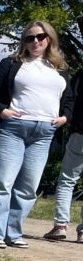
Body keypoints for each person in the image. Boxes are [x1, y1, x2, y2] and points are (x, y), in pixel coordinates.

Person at [0, 21, 73, 249]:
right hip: (12, 128)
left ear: (49, 39)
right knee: (1, 182)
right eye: (29, 38)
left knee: (28, 187)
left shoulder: (60, 69)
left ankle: (13, 232)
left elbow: (68, 99)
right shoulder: (11, 64)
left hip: (44, 133)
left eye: (40, 37)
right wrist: (2, 111)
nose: (35, 42)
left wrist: (65, 117)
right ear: (24, 42)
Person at [43, 69, 83, 243]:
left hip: (80, 133)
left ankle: (60, 226)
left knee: (67, 180)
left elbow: (70, 100)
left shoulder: (81, 75)